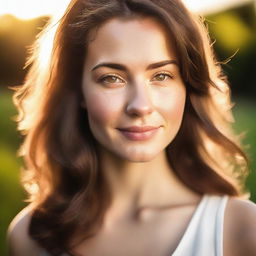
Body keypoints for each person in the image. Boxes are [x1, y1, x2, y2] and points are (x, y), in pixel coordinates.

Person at [7, 0, 256, 255]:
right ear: (77, 89)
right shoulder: (31, 236)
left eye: (161, 76)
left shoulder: (242, 230)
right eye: (112, 78)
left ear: (188, 86)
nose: (140, 106)